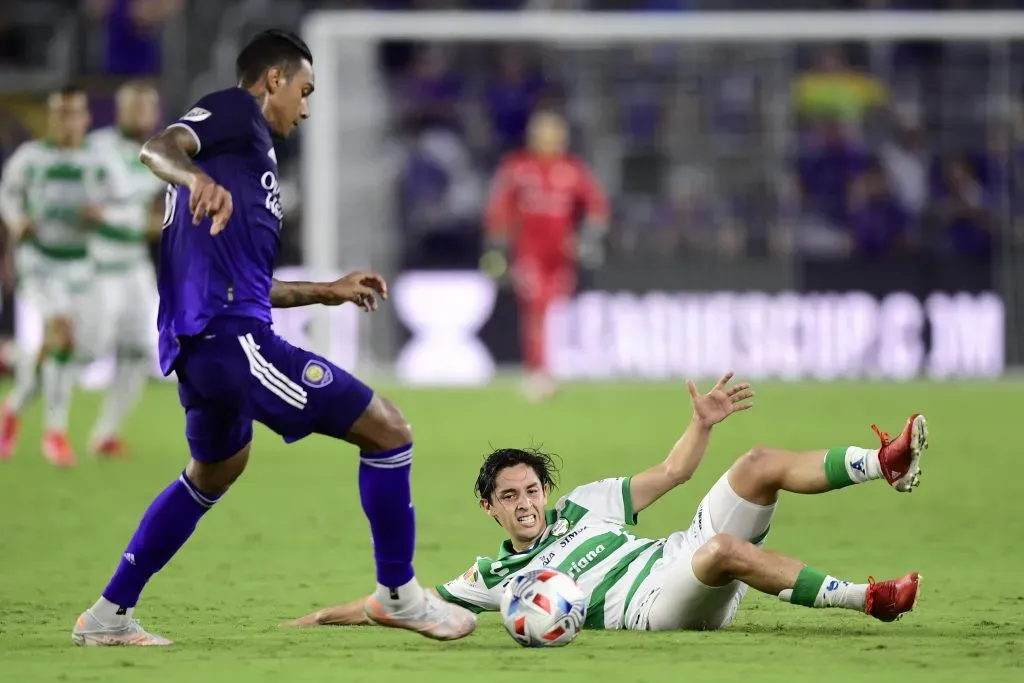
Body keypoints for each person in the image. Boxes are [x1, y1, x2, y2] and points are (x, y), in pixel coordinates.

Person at [70, 29, 477, 647]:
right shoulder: (234, 114)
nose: (307, 108)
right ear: (273, 81)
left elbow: (253, 285)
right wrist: (189, 178)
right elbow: (156, 147)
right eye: (304, 91)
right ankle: (400, 595)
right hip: (231, 344)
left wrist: (327, 289)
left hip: (203, 345)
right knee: (389, 431)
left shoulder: (244, 159)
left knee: (214, 471)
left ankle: (107, 615)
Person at [289, 372, 924, 632]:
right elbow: (403, 605)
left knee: (756, 463)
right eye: (509, 497)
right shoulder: (493, 579)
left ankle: (884, 463)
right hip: (655, 606)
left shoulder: (586, 504)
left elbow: (675, 471)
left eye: (532, 490)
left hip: (675, 554)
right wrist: (322, 618)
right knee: (723, 550)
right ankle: (869, 599)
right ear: (490, 509)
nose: (525, 504)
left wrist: (702, 425)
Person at [0, 85, 106, 466]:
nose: (64, 121)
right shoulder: (30, 158)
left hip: (80, 264)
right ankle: (55, 434)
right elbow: (7, 194)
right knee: (60, 331)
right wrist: (16, 221)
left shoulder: (96, 160)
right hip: (40, 262)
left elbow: (118, 199)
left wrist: (102, 215)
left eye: (72, 113)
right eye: (58, 113)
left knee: (68, 348)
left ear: (85, 118)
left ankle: (12, 408)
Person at [482, 110, 608, 403]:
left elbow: (597, 206)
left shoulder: (573, 170)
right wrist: (497, 249)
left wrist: (586, 239)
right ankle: (538, 375)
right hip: (529, 254)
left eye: (556, 135)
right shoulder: (518, 168)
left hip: (561, 256)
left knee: (553, 313)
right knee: (535, 311)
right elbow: (499, 210)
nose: (551, 141)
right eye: (545, 135)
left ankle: (550, 370)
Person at [83, 80, 167, 457]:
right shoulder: (97, 149)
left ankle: (105, 433)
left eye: (148, 107)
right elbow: (86, 209)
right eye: (135, 106)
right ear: (121, 110)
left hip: (133, 263)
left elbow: (157, 212)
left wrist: (151, 224)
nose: (142, 114)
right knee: (89, 348)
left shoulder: (159, 154)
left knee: (137, 349)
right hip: (98, 263)